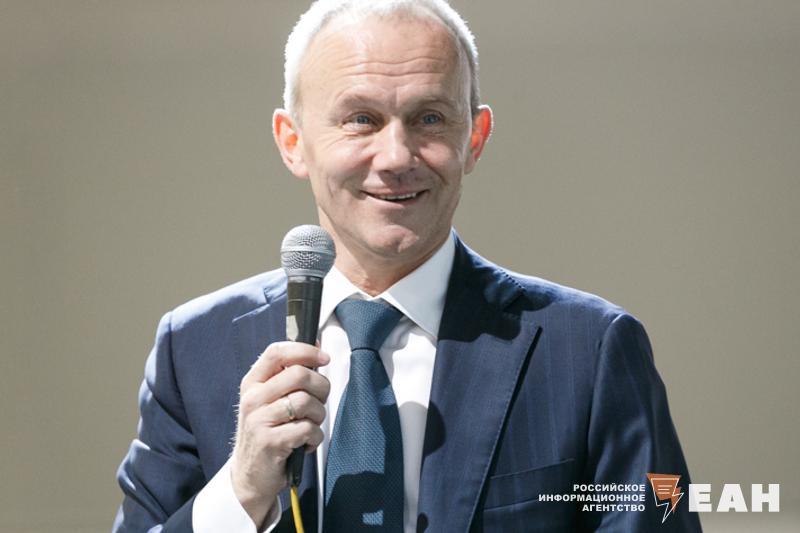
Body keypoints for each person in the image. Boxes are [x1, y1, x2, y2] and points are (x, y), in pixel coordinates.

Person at [114, 1, 702, 531]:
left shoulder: (589, 350)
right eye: (360, 119)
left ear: (475, 138)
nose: (396, 157)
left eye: (429, 119)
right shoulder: (193, 349)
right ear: (292, 141)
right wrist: (241, 489)